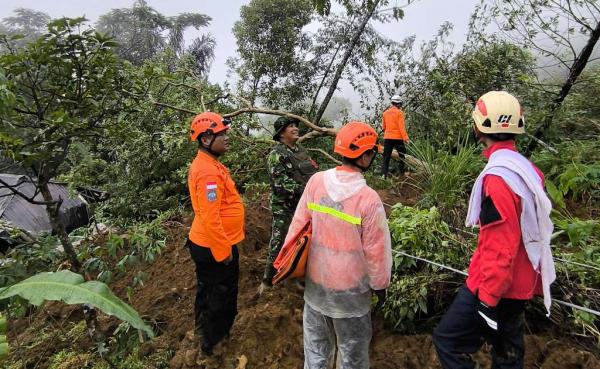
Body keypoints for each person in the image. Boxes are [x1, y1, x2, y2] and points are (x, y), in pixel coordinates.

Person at [433, 91, 555, 369]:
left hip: (495, 285)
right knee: (507, 354)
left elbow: (501, 245)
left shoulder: (498, 179)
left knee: (447, 341)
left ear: (478, 127)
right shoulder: (528, 169)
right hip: (522, 281)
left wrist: (487, 299)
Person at [285, 121, 392, 369]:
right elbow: (376, 252)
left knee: (316, 352)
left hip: (316, 286)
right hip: (351, 296)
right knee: (352, 355)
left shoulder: (316, 182)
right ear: (365, 157)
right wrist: (380, 287)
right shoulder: (369, 199)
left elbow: (297, 228)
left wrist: (293, 269)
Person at [186, 111, 245, 355]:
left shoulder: (210, 164)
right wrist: (224, 252)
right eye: (223, 135)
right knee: (221, 294)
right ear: (206, 139)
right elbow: (211, 217)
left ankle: (203, 330)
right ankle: (214, 341)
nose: (227, 139)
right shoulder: (208, 171)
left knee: (208, 288)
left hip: (208, 243)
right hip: (215, 246)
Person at [259, 116, 318, 293]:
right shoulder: (276, 155)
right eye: (290, 127)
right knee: (279, 241)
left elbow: (313, 172)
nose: (295, 129)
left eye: (295, 126)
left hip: (304, 206)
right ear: (281, 133)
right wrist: (307, 191)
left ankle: (297, 276)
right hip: (285, 207)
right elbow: (281, 184)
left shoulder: (301, 151)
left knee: (304, 241)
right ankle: (267, 281)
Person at [381, 94, 409, 177]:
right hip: (398, 138)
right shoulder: (400, 113)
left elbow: (383, 127)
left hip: (388, 138)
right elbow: (401, 127)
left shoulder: (385, 113)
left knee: (386, 157)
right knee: (401, 155)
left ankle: (383, 175)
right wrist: (406, 138)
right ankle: (401, 173)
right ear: (398, 104)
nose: (400, 106)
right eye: (400, 104)